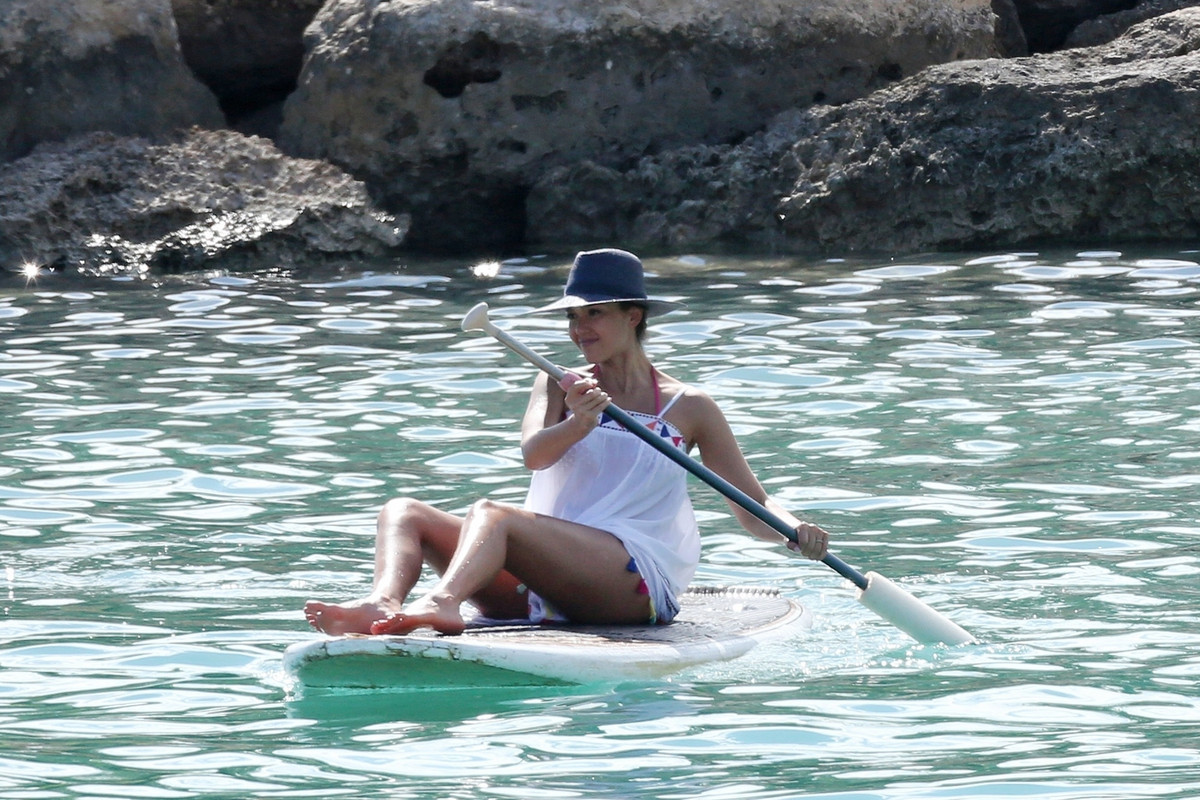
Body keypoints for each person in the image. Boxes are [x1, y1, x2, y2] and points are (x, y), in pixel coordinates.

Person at [304, 248, 830, 637]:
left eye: (594, 313)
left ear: (633, 316)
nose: (579, 329)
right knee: (405, 511)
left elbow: (751, 504)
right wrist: (578, 421)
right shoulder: (557, 383)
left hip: (634, 583)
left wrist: (792, 529)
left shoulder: (689, 406)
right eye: (572, 316)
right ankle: (382, 602)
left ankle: (444, 603)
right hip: (546, 582)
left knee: (495, 515)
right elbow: (535, 455)